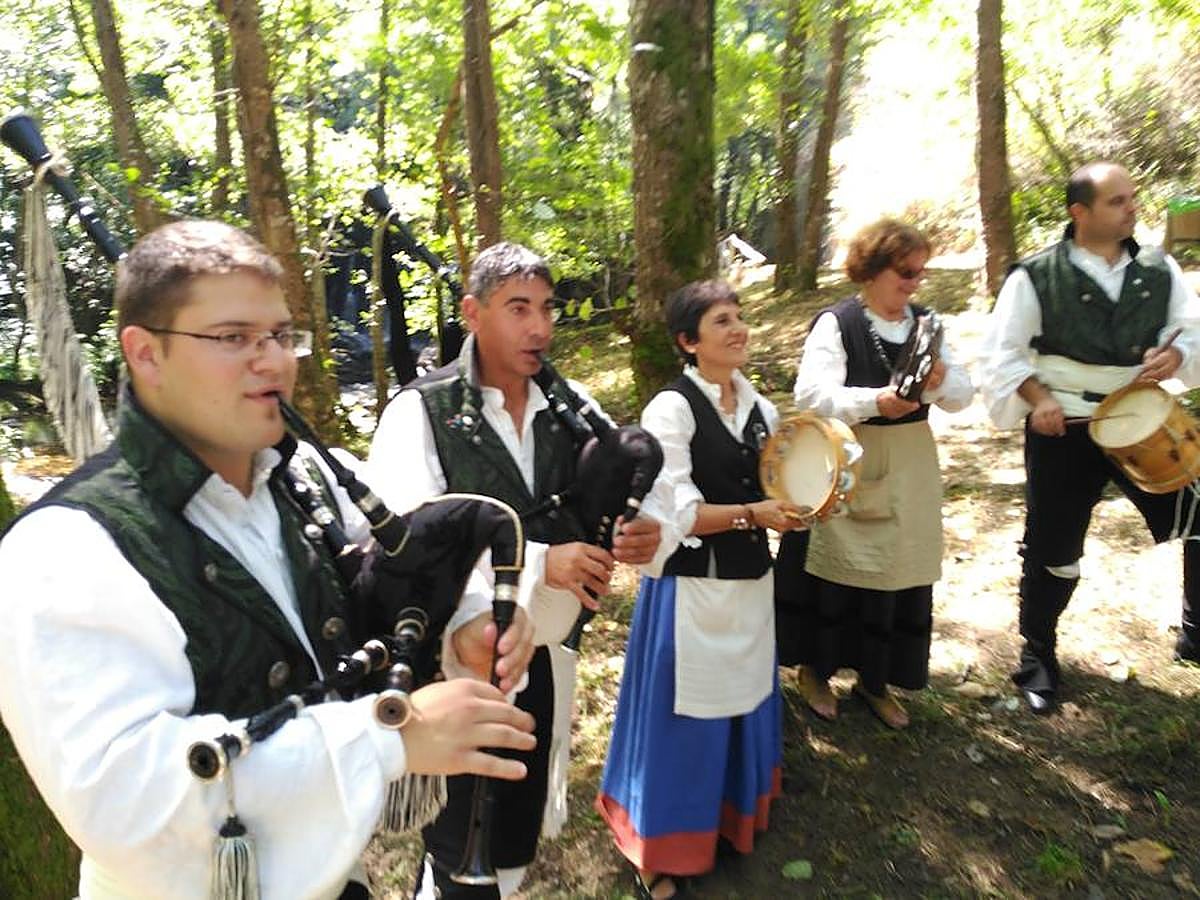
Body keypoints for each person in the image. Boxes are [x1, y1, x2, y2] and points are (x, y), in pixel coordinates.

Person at [0, 220, 539, 899]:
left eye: (282, 336)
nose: (274, 360)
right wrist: (391, 738)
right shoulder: (65, 550)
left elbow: (382, 572)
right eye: (233, 338)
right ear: (144, 354)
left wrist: (462, 623)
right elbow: (124, 801)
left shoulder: (302, 476)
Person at [367, 241, 665, 899]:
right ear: (473, 313)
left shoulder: (571, 403)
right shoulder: (420, 413)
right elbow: (409, 549)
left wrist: (643, 531)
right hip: (460, 666)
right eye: (517, 308)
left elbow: (617, 492)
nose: (539, 327)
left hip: (548, 657)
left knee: (513, 844)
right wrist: (538, 561)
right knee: (457, 855)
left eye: (547, 309)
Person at [595, 280, 804, 900]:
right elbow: (679, 513)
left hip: (749, 585)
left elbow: (784, 478)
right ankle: (660, 846)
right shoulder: (672, 410)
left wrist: (798, 506)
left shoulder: (759, 408)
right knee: (686, 717)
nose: (738, 328)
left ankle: (731, 817)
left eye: (739, 317)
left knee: (741, 699)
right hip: (690, 594)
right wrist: (755, 514)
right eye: (722, 321)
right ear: (689, 342)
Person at [981, 161, 1200, 714]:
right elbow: (1003, 355)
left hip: (1146, 418)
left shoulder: (1158, 267)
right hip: (1067, 425)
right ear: (1080, 213)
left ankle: (1197, 632)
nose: (1133, 208)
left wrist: (1174, 354)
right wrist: (1039, 401)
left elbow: (1190, 328)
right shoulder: (1035, 275)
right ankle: (1038, 655)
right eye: (1117, 201)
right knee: (1053, 547)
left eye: (1132, 197)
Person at [776, 219, 973, 729]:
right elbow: (811, 396)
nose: (914, 283)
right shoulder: (838, 323)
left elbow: (964, 396)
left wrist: (942, 380)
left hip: (909, 462)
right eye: (905, 272)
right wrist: (873, 401)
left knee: (896, 574)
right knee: (834, 569)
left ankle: (876, 679)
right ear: (872, 270)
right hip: (846, 458)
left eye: (919, 273)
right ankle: (815, 671)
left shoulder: (927, 323)